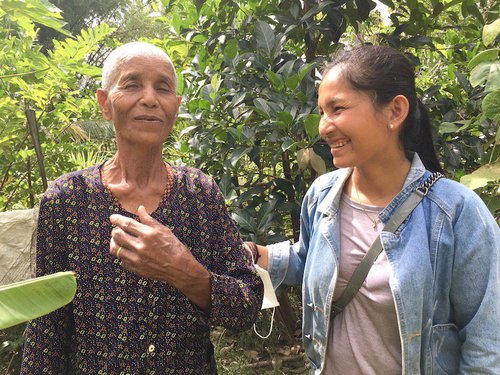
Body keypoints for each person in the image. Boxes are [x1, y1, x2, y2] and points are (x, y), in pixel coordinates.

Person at [246, 45, 499, 374]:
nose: (323, 126)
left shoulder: (455, 214)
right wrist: (255, 254)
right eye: (322, 111)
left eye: (337, 108)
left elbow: (486, 345)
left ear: (395, 111)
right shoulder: (322, 195)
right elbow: (311, 259)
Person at [21, 41, 263, 374]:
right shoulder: (65, 200)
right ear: (105, 103)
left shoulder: (202, 194)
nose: (149, 98)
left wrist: (183, 269)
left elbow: (247, 305)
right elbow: (48, 326)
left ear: (175, 108)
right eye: (132, 84)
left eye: (162, 88)